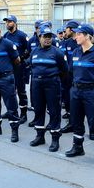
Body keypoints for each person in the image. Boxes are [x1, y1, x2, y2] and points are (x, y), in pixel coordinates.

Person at [64, 24, 94, 166]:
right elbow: (72, 72)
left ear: (87, 36)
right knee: (76, 121)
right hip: (76, 91)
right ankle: (78, 147)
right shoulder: (76, 52)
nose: (76, 37)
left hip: (91, 92)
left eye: (78, 34)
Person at [28, 23, 68, 151]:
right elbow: (31, 67)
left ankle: (55, 139)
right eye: (45, 36)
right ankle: (40, 136)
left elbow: (64, 70)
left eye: (49, 36)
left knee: (54, 112)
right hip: (37, 85)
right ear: (39, 37)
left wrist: (53, 79)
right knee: (39, 111)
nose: (47, 39)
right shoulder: (34, 52)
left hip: (52, 85)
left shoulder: (57, 53)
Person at [3, 15, 29, 124]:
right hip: (9, 68)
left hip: (19, 68)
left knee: (21, 91)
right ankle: (11, 111)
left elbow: (29, 50)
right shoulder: (5, 36)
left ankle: (23, 114)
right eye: (6, 22)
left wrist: (21, 58)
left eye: (9, 21)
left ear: (14, 22)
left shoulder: (22, 36)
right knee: (10, 90)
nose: (7, 24)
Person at [59, 20, 80, 133]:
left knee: (77, 101)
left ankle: (75, 122)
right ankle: (71, 120)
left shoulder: (80, 42)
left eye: (66, 29)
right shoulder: (66, 43)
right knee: (67, 98)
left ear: (71, 30)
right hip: (67, 75)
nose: (65, 31)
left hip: (79, 76)